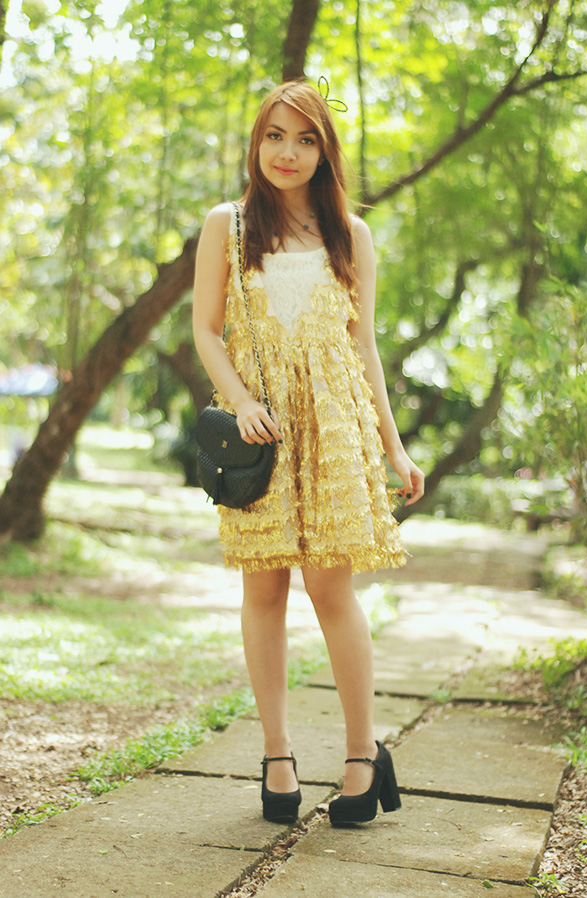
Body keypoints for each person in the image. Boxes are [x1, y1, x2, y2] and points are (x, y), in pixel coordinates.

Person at [192, 80, 425, 826]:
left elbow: (364, 346)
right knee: (263, 591)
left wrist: (393, 446)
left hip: (335, 429)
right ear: (256, 143)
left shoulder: (350, 233)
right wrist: (242, 401)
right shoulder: (227, 225)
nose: (286, 152)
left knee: (331, 591)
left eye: (305, 139)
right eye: (274, 136)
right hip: (259, 433)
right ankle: (277, 754)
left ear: (325, 152)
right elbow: (205, 330)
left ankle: (363, 755)